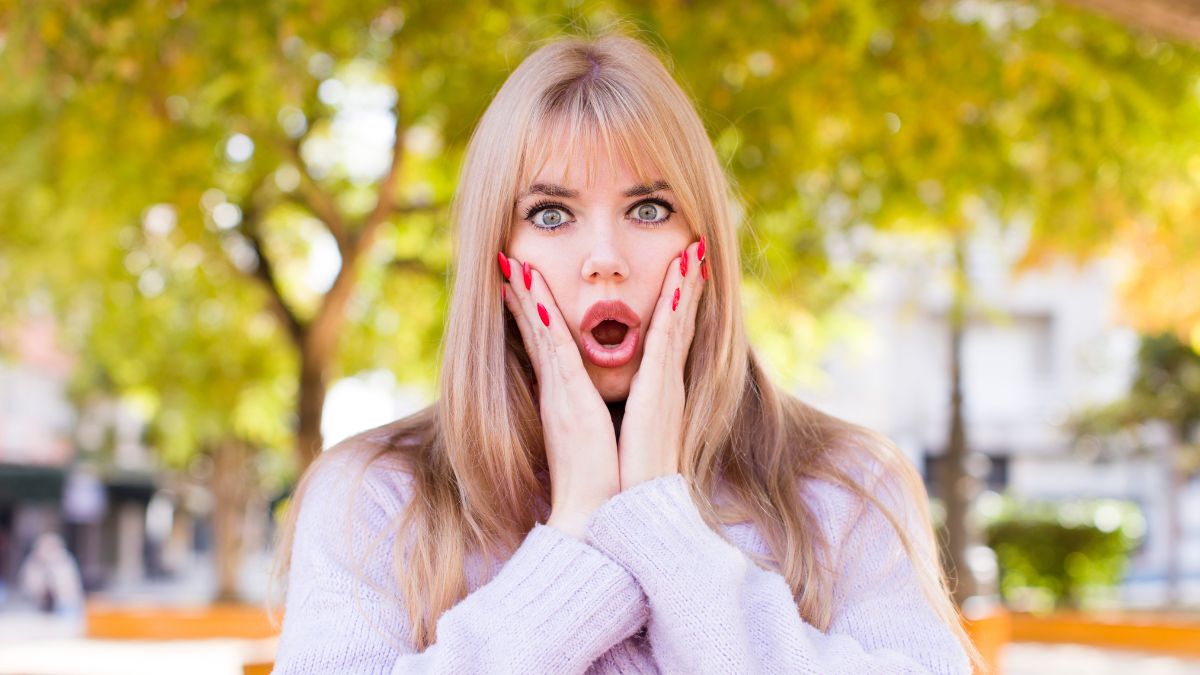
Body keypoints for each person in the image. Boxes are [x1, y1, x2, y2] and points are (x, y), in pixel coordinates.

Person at [268, 30, 983, 674]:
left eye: (649, 209)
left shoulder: (845, 485)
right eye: (550, 214)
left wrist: (661, 522)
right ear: (498, 255)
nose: (604, 259)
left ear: (702, 245)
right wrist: (577, 526)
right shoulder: (374, 497)